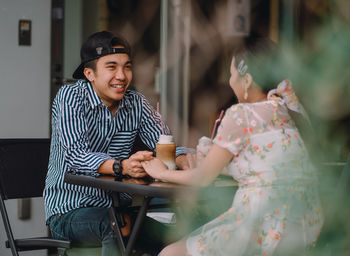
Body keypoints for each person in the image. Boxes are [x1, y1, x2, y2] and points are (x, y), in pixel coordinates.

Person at [141, 37, 324, 256]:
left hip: (260, 227)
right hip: (304, 227)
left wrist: (161, 172)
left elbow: (203, 179)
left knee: (170, 253)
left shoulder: (242, 115)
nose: (230, 81)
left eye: (232, 74)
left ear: (246, 80)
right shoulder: (291, 109)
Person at [43, 31, 190, 255]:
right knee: (117, 225)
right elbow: (76, 156)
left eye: (127, 67)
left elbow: (162, 143)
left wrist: (182, 158)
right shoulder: (70, 97)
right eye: (112, 67)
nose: (121, 75)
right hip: (70, 210)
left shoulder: (136, 102)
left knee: (178, 233)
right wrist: (123, 166)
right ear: (89, 73)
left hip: (117, 208)